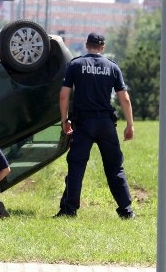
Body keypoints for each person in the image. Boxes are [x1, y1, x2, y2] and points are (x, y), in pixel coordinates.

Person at [56, 32, 135, 219]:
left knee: (76, 166)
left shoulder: (75, 65)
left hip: (83, 124)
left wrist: (64, 119)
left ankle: (69, 210)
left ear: (86, 45)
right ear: (103, 47)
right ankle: (126, 210)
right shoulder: (113, 67)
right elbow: (124, 98)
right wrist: (130, 124)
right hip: (106, 124)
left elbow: (63, 95)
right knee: (115, 167)